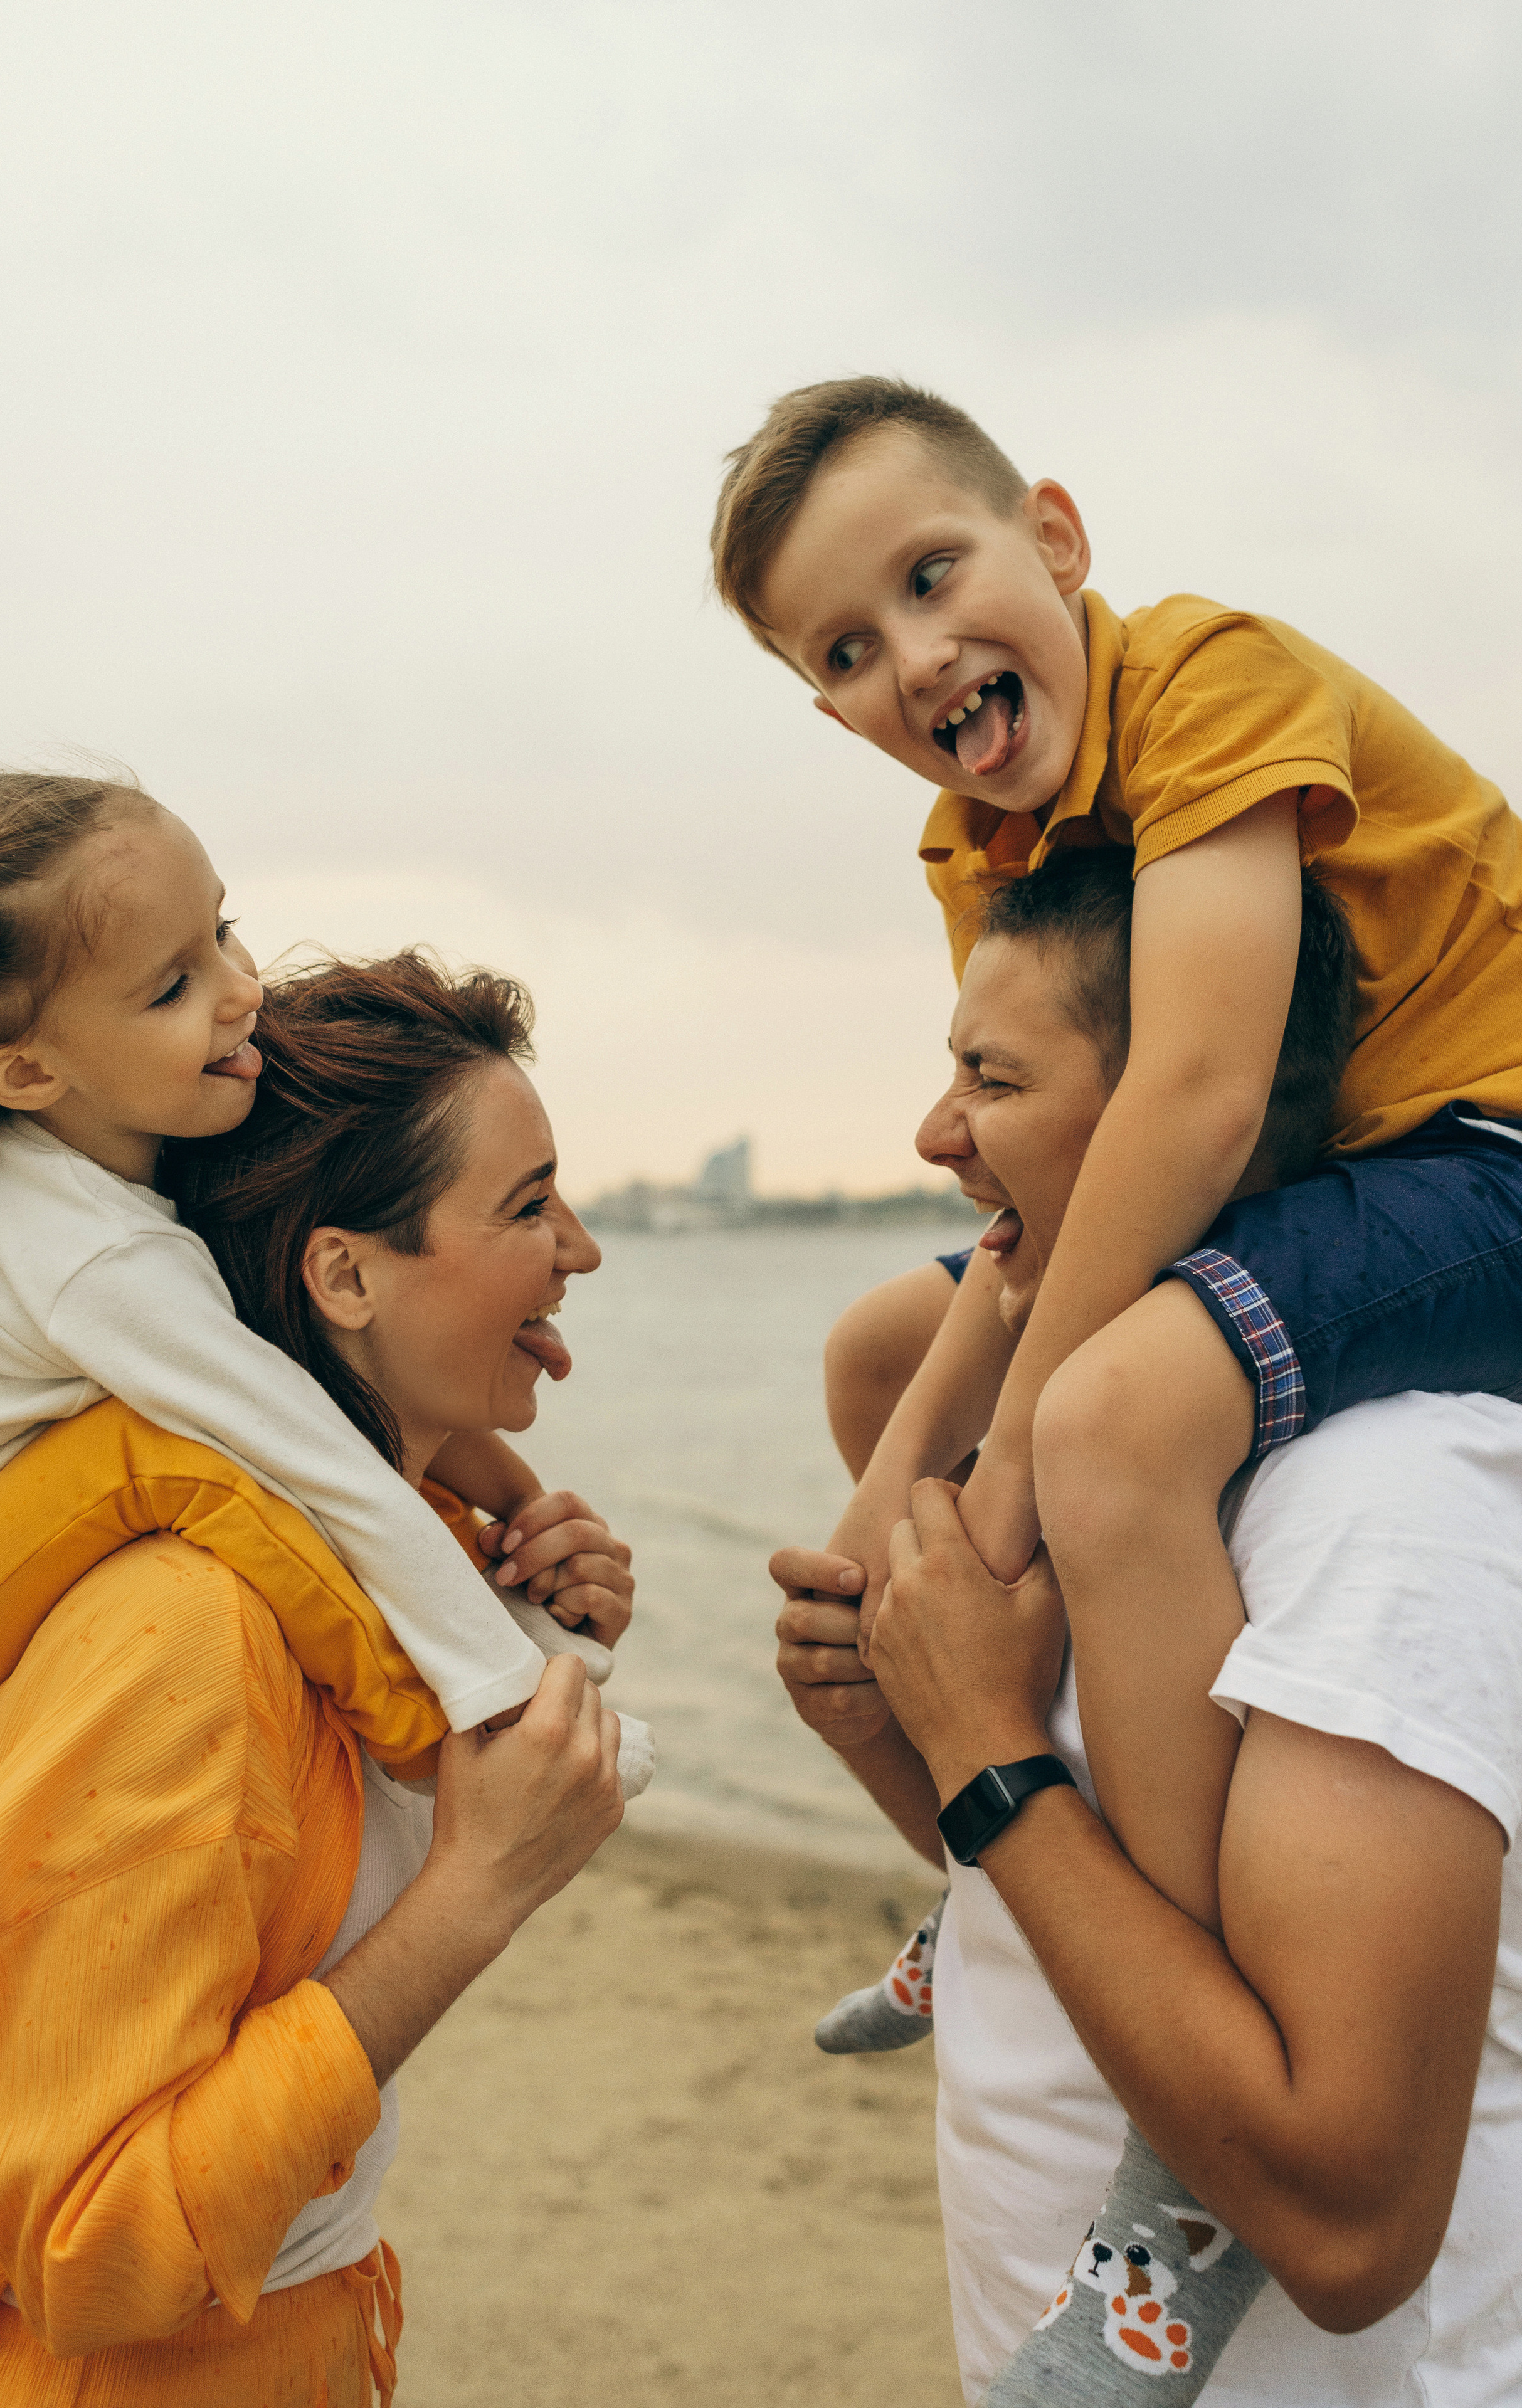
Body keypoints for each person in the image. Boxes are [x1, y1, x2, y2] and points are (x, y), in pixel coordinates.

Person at [711, 374, 1522, 2377]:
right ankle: (1010, 1871)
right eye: (848, 649)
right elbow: (1029, 1145)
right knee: (892, 1338)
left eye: (934, 575)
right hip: (1321, 1175)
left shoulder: (1211, 681)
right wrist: (908, 1562)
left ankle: (1189, 2073)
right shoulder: (980, 842)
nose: (917, 657)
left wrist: (1000, 1517)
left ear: (1057, 537)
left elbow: (1192, 1081)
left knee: (1114, 1420)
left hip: (1487, 1151)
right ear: (824, 706)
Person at [771, 855, 1522, 2403]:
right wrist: (890, 1725)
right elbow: (1056, 1905)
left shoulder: (1380, 1511)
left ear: (1175, 1120)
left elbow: (1345, 2220)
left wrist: (981, 1749)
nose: (930, 1134)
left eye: (989, 1078)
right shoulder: (1071, 1455)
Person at [0, 941, 633, 2401]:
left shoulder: (377, 1574)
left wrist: (531, 1605)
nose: (580, 1247)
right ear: (346, 1275)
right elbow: (86, 2253)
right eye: (526, 1204)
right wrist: (472, 1898)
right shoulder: (184, 1635)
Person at [0, 772, 650, 1790]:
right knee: (206, 1470)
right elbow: (313, 1452)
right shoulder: (93, 1254)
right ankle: (464, 1728)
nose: (241, 989)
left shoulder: (99, 1152)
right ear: (29, 1073)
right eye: (172, 988)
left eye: (223, 931)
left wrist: (521, 1522)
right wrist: (518, 1681)